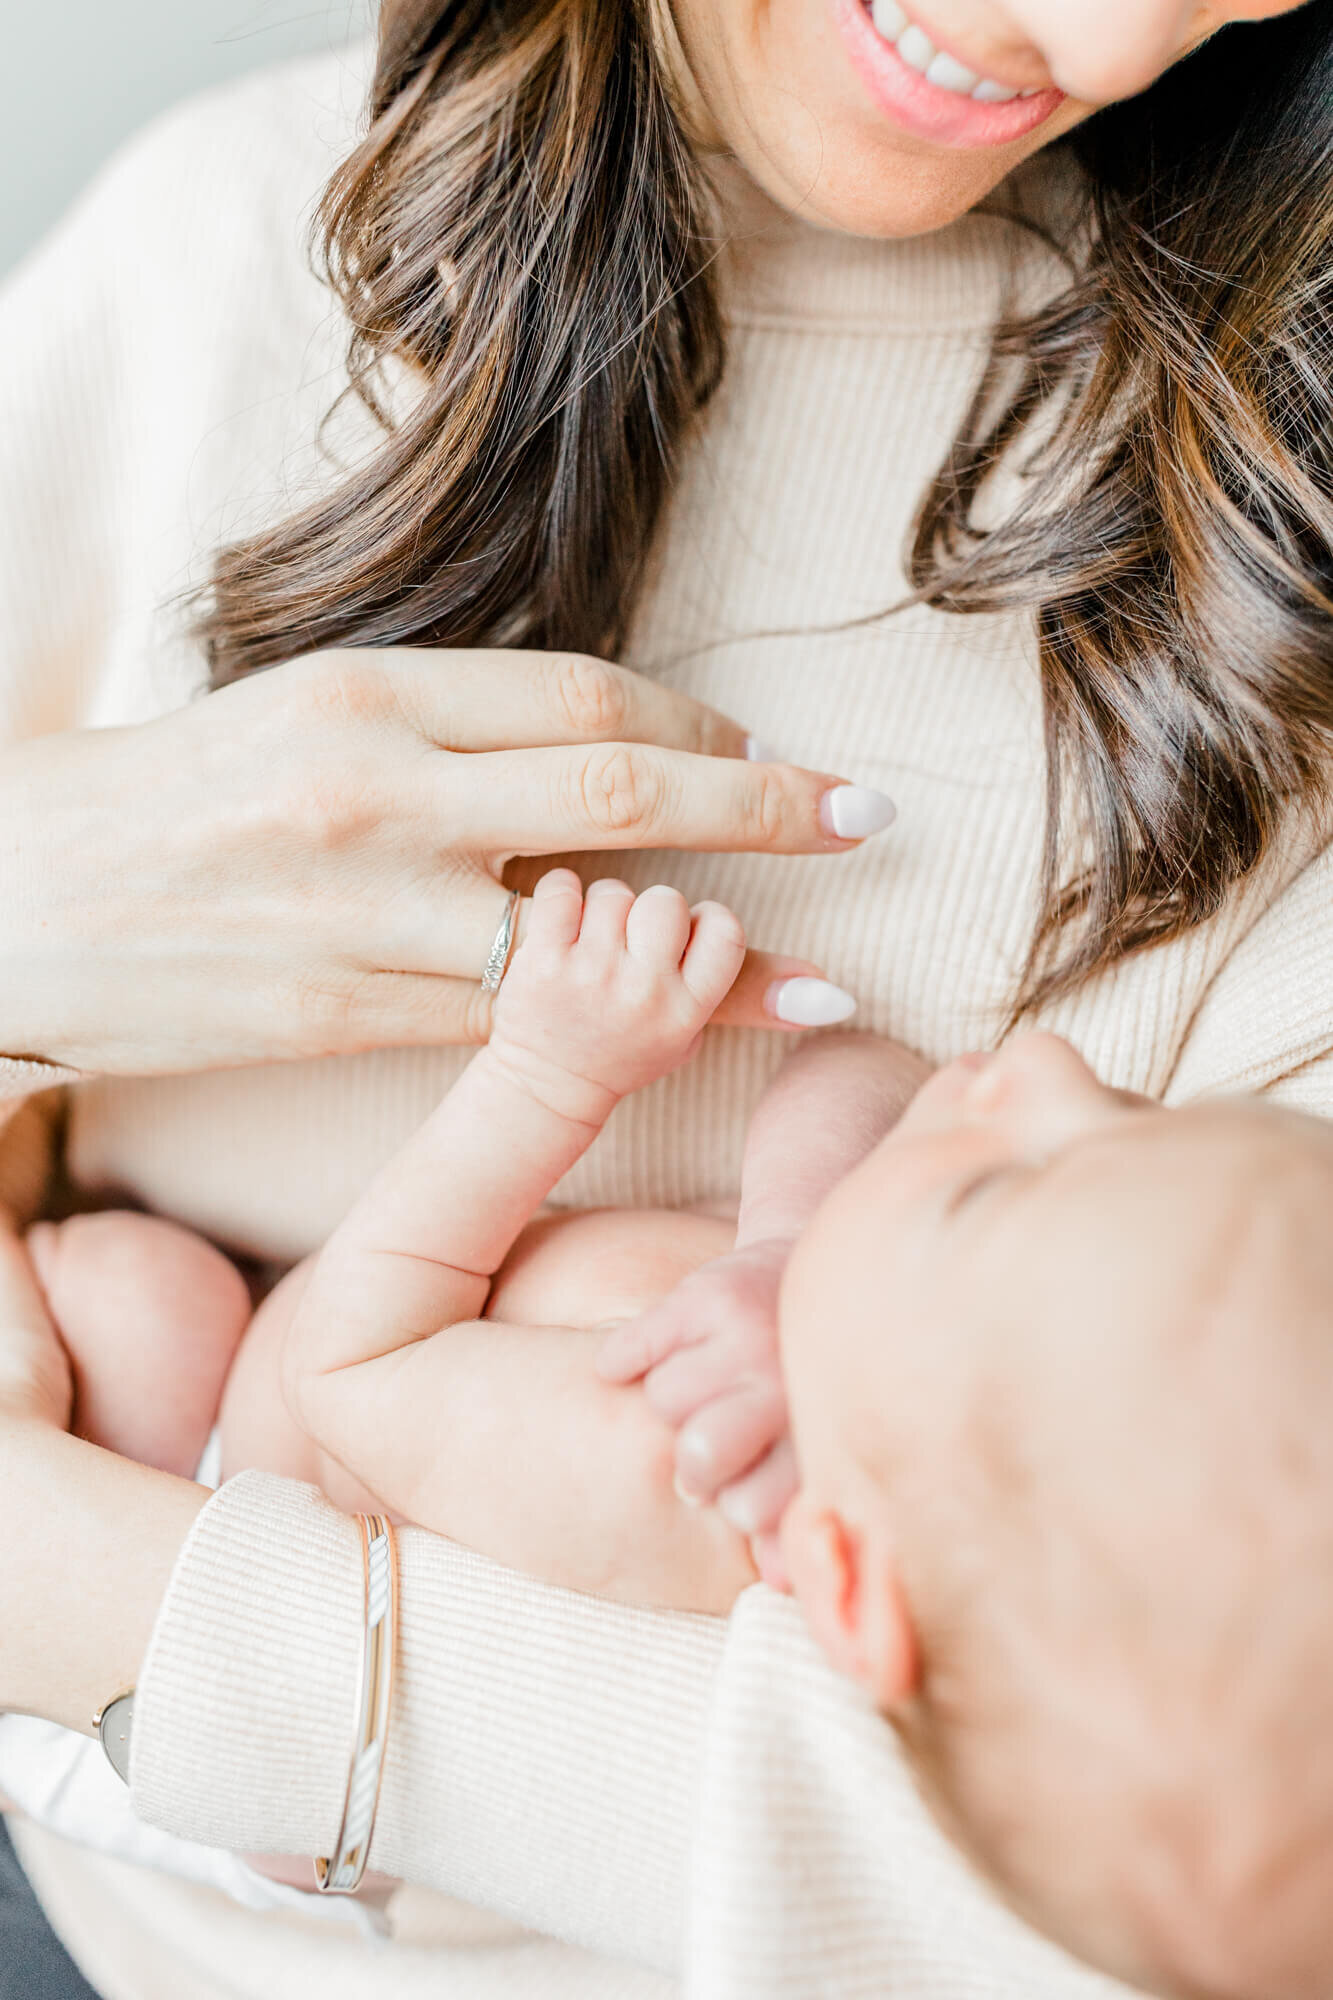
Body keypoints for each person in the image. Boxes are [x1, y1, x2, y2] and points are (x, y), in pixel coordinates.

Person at [3, 0, 1333, 1993]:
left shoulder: (1279, 532)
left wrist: (131, 1602)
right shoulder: (209, 258)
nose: (1111, 30)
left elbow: (1218, 1849)